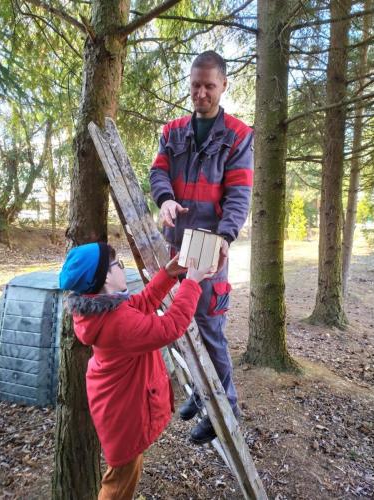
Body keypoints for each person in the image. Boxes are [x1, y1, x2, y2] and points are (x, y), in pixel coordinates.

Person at [150, 50, 254, 444]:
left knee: (210, 328)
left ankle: (225, 407)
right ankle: (199, 390)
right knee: (181, 324)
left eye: (209, 86)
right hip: (177, 247)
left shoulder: (239, 136)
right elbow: (158, 170)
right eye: (195, 85)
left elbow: (240, 193)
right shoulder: (173, 130)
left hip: (211, 250)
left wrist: (226, 237)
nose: (201, 93)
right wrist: (164, 200)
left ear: (224, 85)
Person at [59, 242, 211, 500]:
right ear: (105, 276)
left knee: (126, 472)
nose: (122, 267)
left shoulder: (107, 309)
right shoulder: (117, 321)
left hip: (117, 405)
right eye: (118, 264)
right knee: (119, 483)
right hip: (123, 413)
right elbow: (170, 327)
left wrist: (169, 273)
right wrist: (192, 283)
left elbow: (143, 302)